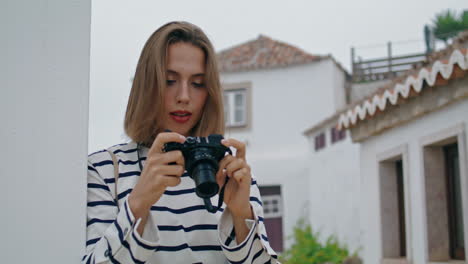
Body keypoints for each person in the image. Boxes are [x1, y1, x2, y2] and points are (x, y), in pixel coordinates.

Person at [83, 21, 278, 264]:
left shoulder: (230, 171)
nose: (184, 97)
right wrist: (138, 204)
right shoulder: (102, 170)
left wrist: (241, 217)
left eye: (198, 83)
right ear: (147, 85)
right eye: (169, 80)